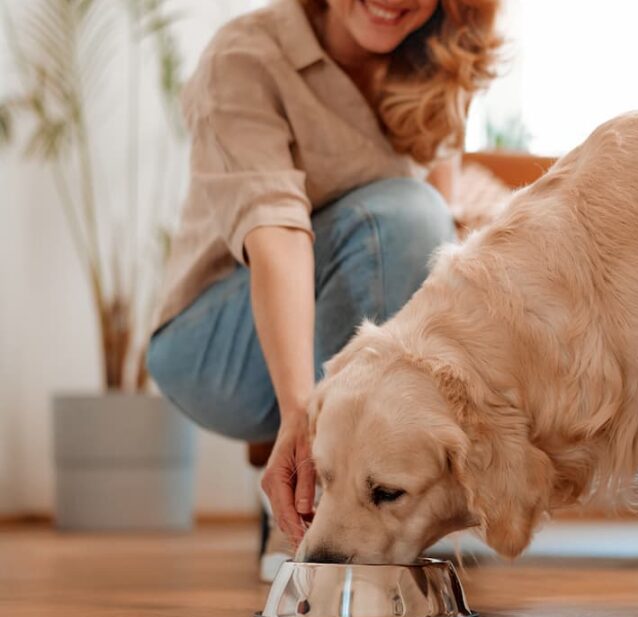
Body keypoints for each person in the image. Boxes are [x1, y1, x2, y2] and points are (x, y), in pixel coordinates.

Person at [147, 0, 500, 579]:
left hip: (339, 328)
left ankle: (377, 520)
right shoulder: (246, 57)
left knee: (422, 220)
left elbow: (442, 230)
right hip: (215, 347)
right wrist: (302, 414)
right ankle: (314, 522)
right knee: (400, 218)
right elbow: (278, 235)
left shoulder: (438, 59)